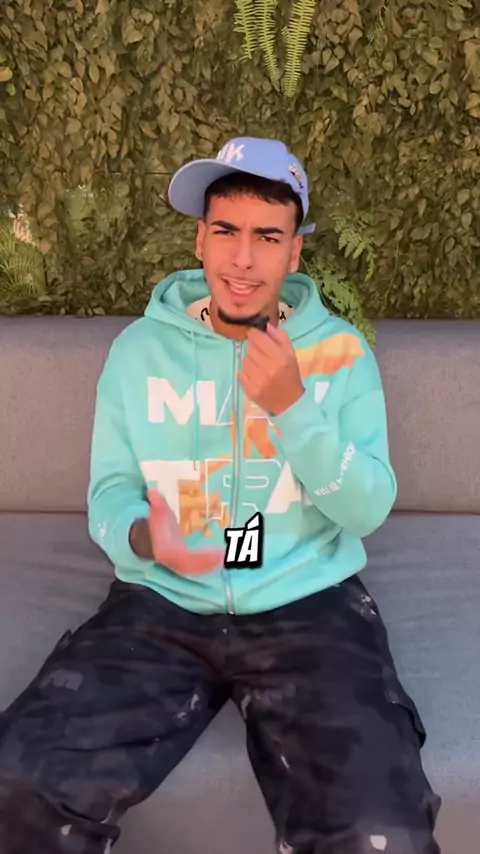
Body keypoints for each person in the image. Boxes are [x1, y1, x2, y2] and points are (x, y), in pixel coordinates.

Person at [0, 137, 441, 854]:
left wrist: (292, 407)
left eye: (267, 236)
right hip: (161, 602)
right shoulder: (139, 353)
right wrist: (148, 537)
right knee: (19, 785)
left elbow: (366, 509)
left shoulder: (339, 354)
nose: (242, 259)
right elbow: (110, 494)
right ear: (200, 239)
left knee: (378, 833)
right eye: (226, 231)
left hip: (308, 604)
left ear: (294, 253)